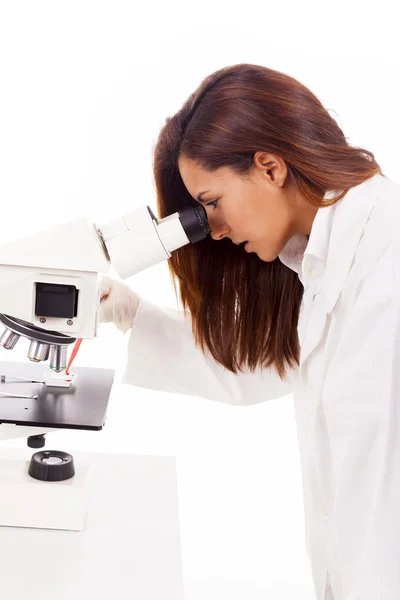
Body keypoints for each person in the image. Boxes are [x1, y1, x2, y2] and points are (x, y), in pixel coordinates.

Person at [99, 63, 400, 600]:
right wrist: (129, 312)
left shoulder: (386, 258)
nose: (211, 227)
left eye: (211, 202)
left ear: (269, 167)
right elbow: (260, 362)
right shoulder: (322, 266)